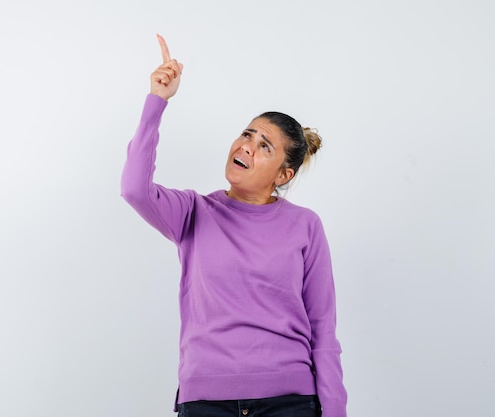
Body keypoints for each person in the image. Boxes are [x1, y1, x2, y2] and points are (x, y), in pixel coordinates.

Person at [121, 35, 347, 417]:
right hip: (206, 402)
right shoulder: (193, 212)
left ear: (283, 174)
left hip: (289, 401)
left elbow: (323, 329)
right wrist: (157, 100)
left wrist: (336, 411)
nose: (246, 146)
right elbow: (134, 189)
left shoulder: (305, 226)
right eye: (247, 134)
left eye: (264, 146)